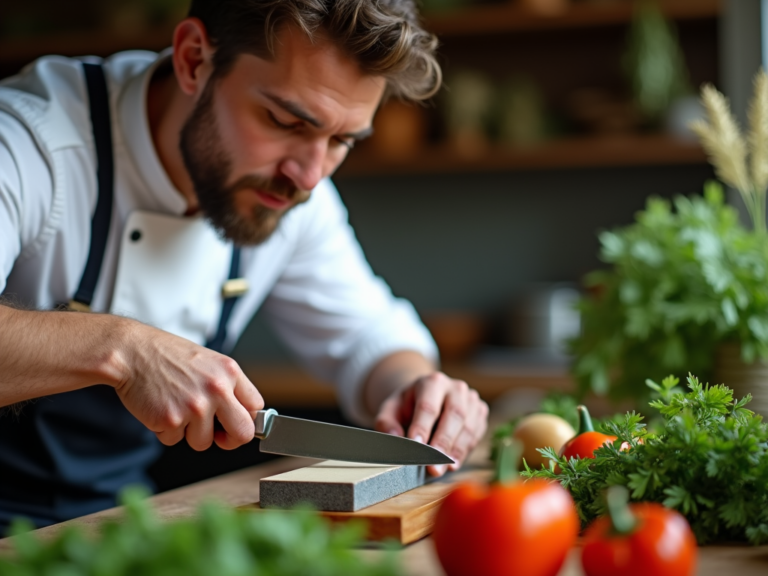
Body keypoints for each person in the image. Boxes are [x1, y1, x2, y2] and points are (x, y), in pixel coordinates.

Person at [0, 0, 489, 532]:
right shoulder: (29, 142)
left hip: (106, 530)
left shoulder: (293, 195)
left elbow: (366, 338)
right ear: (193, 60)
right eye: (284, 121)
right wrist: (123, 349)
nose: (308, 175)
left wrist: (415, 390)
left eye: (342, 140)